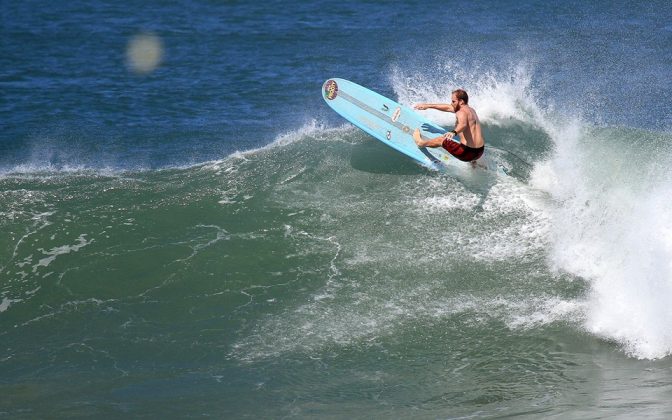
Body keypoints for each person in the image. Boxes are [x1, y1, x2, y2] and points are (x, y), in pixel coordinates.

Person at [412, 89, 485, 162]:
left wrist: (453, 132)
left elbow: (463, 124)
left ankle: (421, 143)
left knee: (441, 140)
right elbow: (448, 107)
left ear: (461, 101)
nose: (451, 103)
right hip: (480, 151)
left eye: (453, 101)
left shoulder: (461, 112)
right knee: (464, 131)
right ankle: (474, 163)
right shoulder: (471, 110)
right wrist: (428, 106)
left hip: (467, 154)